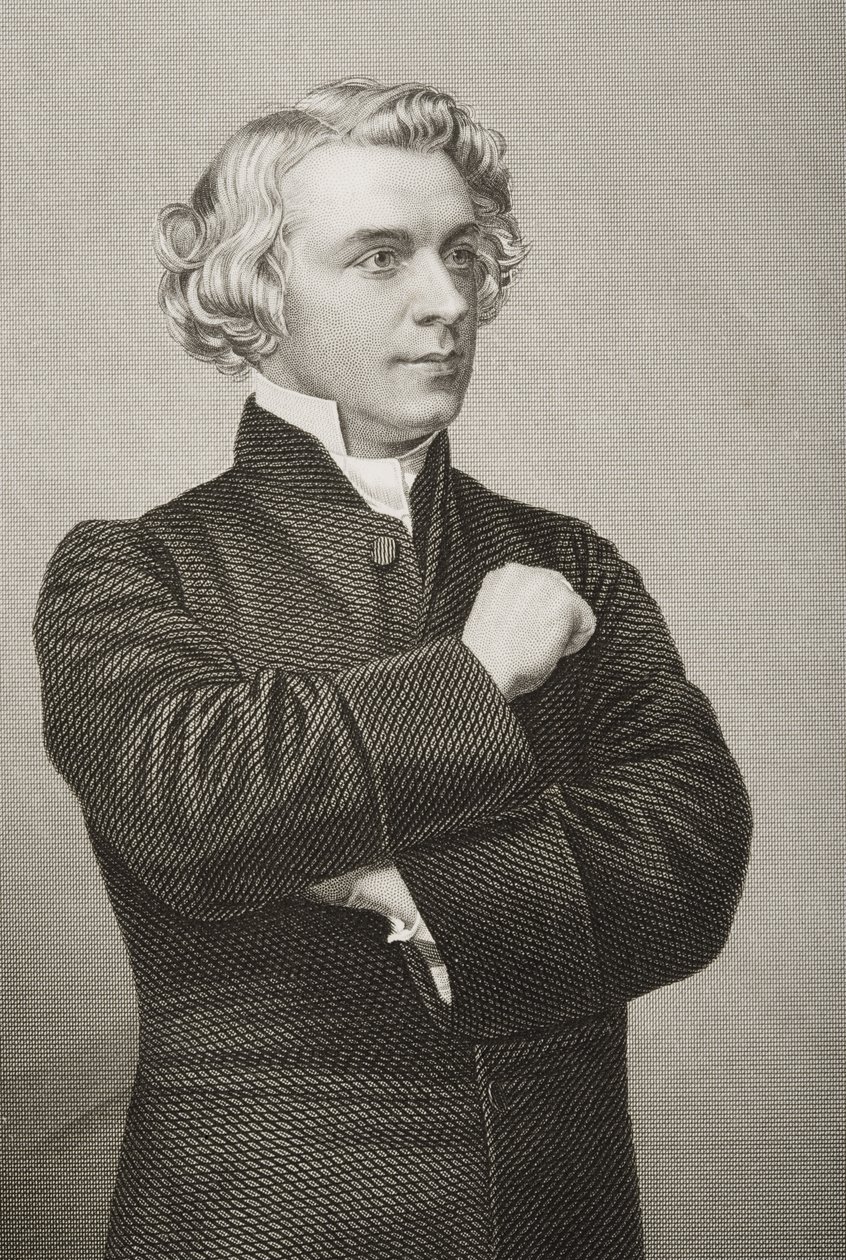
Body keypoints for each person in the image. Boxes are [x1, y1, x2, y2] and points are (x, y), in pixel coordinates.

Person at [33, 78, 751, 1260]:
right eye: (381, 258)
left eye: (462, 253)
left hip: (557, 1219)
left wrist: (396, 881)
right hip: (262, 1216)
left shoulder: (570, 561)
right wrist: (474, 675)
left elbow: (690, 856)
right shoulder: (132, 571)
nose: (449, 300)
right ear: (257, 292)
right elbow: (196, 809)